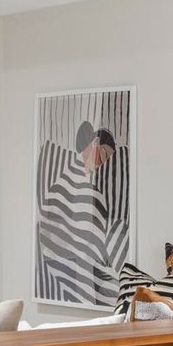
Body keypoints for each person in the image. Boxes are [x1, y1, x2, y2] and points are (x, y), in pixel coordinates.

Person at [33, 117, 129, 307]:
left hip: (72, 264)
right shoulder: (76, 189)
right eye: (103, 153)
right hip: (69, 265)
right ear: (93, 143)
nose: (102, 162)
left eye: (107, 159)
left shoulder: (82, 188)